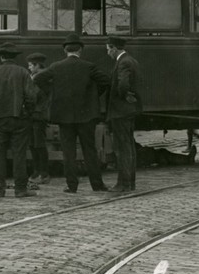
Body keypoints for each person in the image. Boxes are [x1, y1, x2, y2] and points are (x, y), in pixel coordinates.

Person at [34, 33, 110, 194]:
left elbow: (38, 79)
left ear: (65, 50)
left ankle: (71, 186)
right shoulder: (89, 66)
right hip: (86, 115)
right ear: (80, 50)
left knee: (68, 152)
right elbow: (105, 81)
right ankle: (97, 185)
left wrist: (53, 94)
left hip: (64, 116)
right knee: (89, 150)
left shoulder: (56, 67)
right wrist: (93, 96)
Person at [0, 42, 37, 198]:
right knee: (19, 153)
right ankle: (20, 189)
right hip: (19, 118)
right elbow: (31, 97)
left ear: (1, 57)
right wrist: (28, 113)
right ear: (14, 57)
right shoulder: (23, 72)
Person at [106, 35, 142, 192]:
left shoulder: (123, 62)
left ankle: (124, 183)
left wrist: (123, 95)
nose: (108, 53)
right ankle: (129, 182)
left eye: (108, 49)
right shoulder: (131, 60)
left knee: (122, 147)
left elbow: (123, 85)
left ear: (114, 48)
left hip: (121, 110)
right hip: (128, 110)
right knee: (128, 146)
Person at [27, 53, 51, 186]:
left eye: (31, 65)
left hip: (38, 114)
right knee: (33, 144)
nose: (29, 68)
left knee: (39, 144)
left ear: (37, 65)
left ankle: (43, 173)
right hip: (34, 114)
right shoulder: (35, 77)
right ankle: (38, 171)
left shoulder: (41, 78)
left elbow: (34, 95)